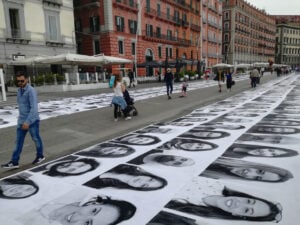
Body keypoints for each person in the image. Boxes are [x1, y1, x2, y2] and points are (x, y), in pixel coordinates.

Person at [165, 178, 282, 222]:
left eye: (246, 210)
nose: (239, 203)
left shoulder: (193, 216)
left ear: (237, 214)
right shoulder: (215, 181)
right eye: (248, 201)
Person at [2, 72, 44, 169]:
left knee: (36, 139)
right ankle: (14, 161)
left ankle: (40, 156)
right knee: (18, 142)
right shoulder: (19, 91)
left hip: (32, 121)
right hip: (21, 122)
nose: (20, 82)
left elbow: (34, 109)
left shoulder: (31, 91)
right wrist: (21, 121)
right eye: (18, 81)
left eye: (22, 80)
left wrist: (27, 122)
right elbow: (22, 108)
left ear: (26, 79)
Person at [26, 194, 136, 225]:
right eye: (93, 211)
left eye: (88, 223)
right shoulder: (70, 193)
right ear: (92, 203)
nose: (78, 217)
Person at [201, 157, 293, 183]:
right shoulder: (229, 154)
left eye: (257, 178)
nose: (249, 174)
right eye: (260, 171)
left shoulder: (212, 178)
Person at [84, 164, 167, 191]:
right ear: (148, 175)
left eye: (144, 185)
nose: (142, 181)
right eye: (150, 179)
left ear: (138, 188)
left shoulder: (102, 187)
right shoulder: (126, 166)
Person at [31, 156, 99, 177]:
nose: (69, 167)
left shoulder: (35, 170)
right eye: (81, 165)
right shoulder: (71, 156)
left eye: (70, 170)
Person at [128, 149, 195, 167]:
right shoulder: (159, 147)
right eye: (182, 159)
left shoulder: (134, 163)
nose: (174, 159)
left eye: (177, 163)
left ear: (170, 166)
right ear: (180, 156)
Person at [223, 143, 298, 158]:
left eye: (272, 154)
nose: (265, 152)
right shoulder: (240, 141)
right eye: (271, 150)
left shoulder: (238, 158)